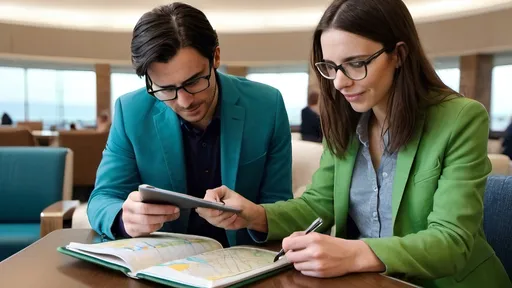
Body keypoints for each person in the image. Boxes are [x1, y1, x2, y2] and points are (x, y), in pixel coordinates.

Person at [196, 0, 511, 287]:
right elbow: (317, 206)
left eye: (356, 63)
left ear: (399, 55)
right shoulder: (348, 122)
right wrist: (253, 214)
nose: (340, 82)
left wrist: (354, 253)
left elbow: (451, 242)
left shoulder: (461, 118)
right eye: (331, 67)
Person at [87, 2, 293, 248]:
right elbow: (102, 199)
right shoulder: (130, 111)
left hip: (245, 257)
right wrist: (124, 218)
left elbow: (279, 203)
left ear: (215, 57)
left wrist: (254, 216)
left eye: (194, 81)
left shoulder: (267, 105)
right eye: (165, 89)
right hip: (163, 262)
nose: (184, 102)